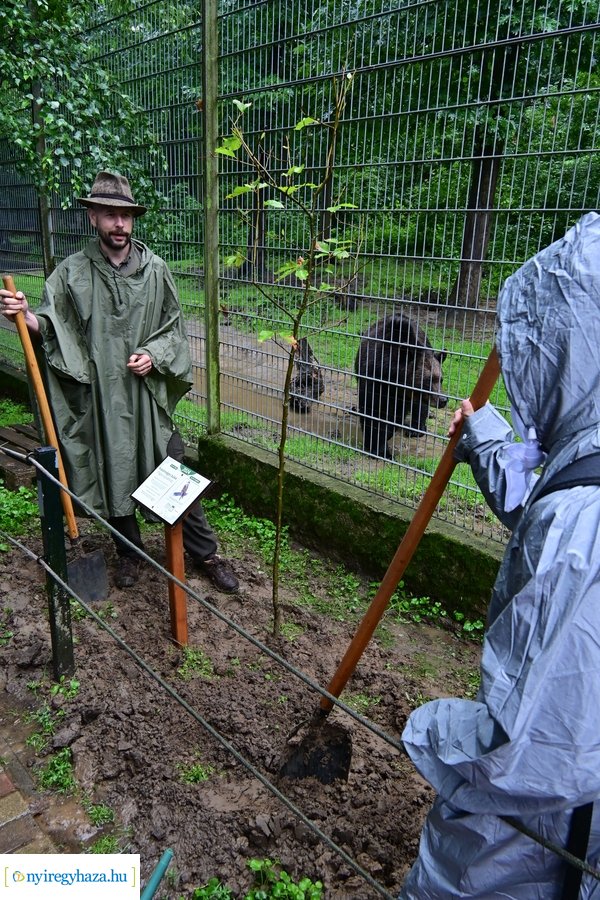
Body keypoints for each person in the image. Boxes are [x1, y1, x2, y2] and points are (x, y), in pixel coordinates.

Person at [398, 211, 600, 898]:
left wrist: (425, 728)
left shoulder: (584, 529)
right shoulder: (588, 467)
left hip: (560, 841)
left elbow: (522, 759)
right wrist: (486, 435)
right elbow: (553, 492)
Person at [0, 171, 239, 594]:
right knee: (112, 470)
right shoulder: (71, 273)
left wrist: (154, 355)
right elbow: (55, 327)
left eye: (126, 217)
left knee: (172, 470)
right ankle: (129, 552)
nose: (119, 225)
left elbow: (173, 330)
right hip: (100, 400)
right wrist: (26, 315)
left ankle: (206, 554)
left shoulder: (156, 270)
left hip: (146, 398)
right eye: (110, 215)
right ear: (93, 217)